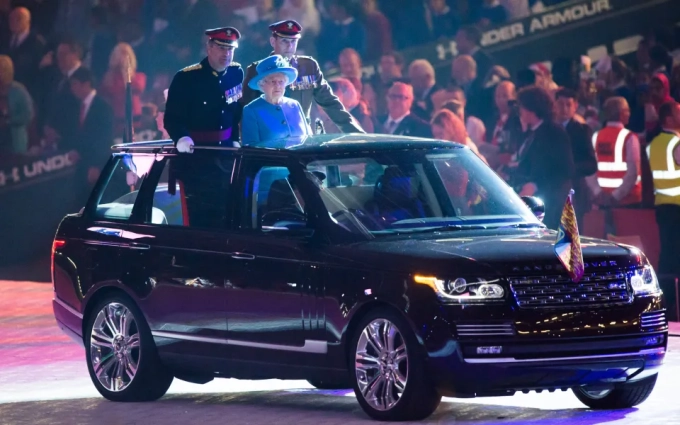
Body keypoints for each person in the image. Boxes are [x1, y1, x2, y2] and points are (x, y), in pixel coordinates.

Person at [241, 20, 363, 134]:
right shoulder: (257, 70)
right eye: (284, 41)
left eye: (293, 41)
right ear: (273, 42)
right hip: (270, 137)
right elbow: (245, 109)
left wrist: (357, 133)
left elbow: (330, 103)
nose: (289, 46)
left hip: (303, 135)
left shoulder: (309, 67)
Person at [164, 27, 244, 152]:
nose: (227, 54)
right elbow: (172, 118)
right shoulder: (186, 77)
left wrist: (235, 139)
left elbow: (235, 112)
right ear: (209, 48)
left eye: (230, 49)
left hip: (227, 152)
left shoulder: (236, 73)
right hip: (195, 152)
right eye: (221, 48)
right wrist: (181, 137)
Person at [513, 86, 575, 229]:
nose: (520, 111)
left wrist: (536, 185)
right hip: (536, 200)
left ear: (531, 108)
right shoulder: (533, 133)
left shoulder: (554, 132)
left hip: (551, 202)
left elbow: (565, 169)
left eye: (522, 107)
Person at [241, 55, 311, 145]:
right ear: (262, 85)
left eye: (281, 82)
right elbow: (251, 148)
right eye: (273, 81)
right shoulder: (251, 110)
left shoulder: (294, 105)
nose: (277, 86)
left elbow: (307, 140)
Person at [586, 97, 642, 208]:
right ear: (621, 114)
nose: (629, 114)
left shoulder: (596, 137)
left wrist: (598, 192)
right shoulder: (629, 138)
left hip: (602, 199)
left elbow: (589, 169)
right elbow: (633, 173)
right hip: (628, 200)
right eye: (627, 110)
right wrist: (615, 196)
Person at [555, 88, 597, 228]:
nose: (564, 109)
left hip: (575, 191)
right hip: (552, 192)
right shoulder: (548, 129)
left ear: (575, 106)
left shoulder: (581, 131)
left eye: (568, 104)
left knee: (573, 235)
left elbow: (591, 164)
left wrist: (569, 168)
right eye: (561, 104)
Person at [646, 101, 680, 279]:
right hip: (677, 208)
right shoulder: (676, 143)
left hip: (662, 206)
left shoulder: (654, 143)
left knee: (667, 255)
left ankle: (666, 297)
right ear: (669, 119)